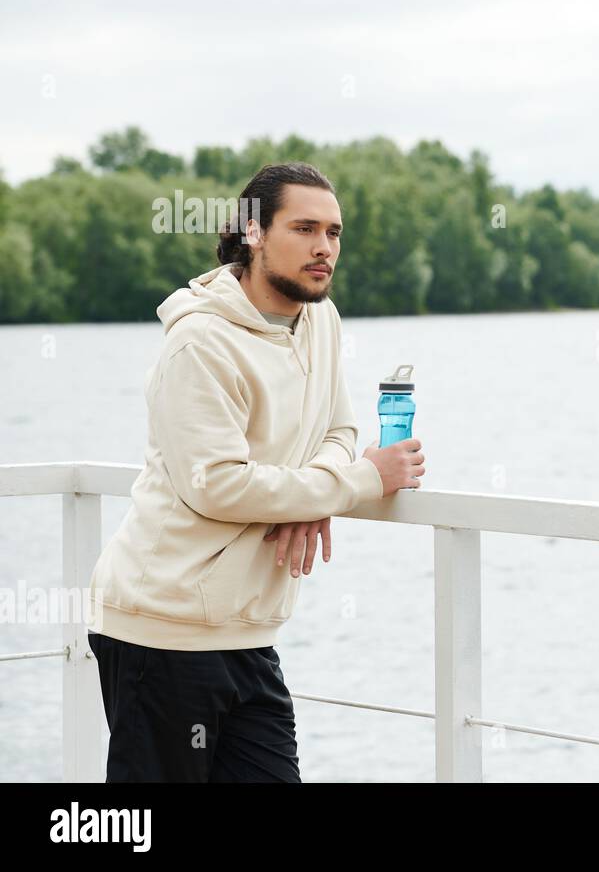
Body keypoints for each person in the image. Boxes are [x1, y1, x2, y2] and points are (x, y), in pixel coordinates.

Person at [86, 162, 424, 782]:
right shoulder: (200, 344)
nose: (325, 248)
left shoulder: (321, 320)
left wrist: (310, 497)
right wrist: (360, 482)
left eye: (334, 232)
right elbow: (219, 484)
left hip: (247, 632)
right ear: (254, 233)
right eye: (305, 229)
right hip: (162, 632)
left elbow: (339, 430)